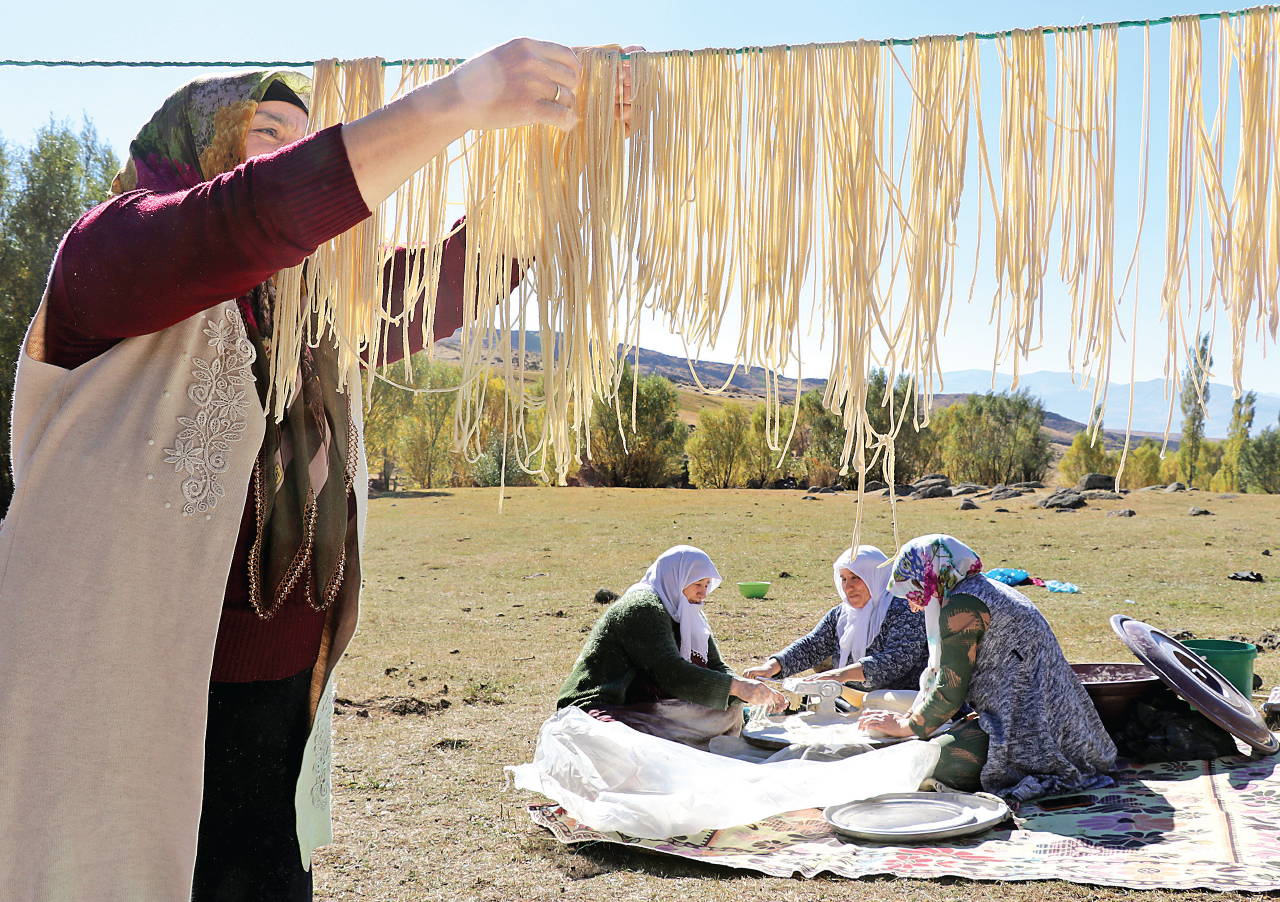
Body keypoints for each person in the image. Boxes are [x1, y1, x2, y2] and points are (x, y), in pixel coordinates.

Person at [0, 39, 614, 901]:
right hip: (119, 694)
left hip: (280, 690)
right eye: (268, 134)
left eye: (303, 137)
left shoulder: (310, 314)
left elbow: (446, 283)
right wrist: (457, 101)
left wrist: (570, 156)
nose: (291, 153)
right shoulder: (110, 257)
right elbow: (253, 216)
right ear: (199, 147)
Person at [857, 534, 1117, 801]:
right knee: (930, 744)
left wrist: (906, 727)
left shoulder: (962, 607)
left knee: (939, 761)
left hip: (1033, 729)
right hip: (1058, 720)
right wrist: (915, 719)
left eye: (914, 591)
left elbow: (950, 691)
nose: (913, 605)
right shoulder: (981, 589)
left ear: (932, 577)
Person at [557, 545, 787, 749]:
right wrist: (737, 687)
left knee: (729, 712)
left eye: (707, 585)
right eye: (697, 584)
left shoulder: (688, 611)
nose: (703, 593)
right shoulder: (642, 606)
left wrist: (752, 691)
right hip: (604, 705)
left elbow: (715, 665)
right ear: (675, 579)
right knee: (624, 748)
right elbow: (669, 671)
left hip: (653, 703)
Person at [741, 544, 926, 692]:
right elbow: (811, 646)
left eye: (856, 578)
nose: (848, 587)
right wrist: (771, 667)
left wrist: (840, 675)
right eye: (844, 579)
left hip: (902, 700)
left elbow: (898, 659)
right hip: (849, 699)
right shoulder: (841, 614)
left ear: (876, 576)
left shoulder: (905, 608)